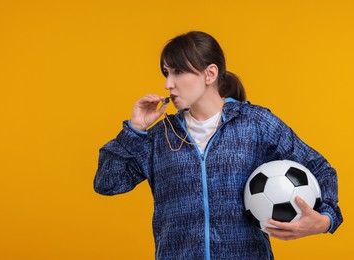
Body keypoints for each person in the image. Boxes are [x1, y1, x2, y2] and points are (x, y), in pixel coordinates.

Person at [94, 31, 343, 259]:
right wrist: (135, 129)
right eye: (166, 73)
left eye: (178, 72)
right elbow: (107, 183)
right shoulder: (162, 136)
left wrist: (325, 220)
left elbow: (320, 169)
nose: (168, 84)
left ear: (210, 74)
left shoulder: (255, 124)